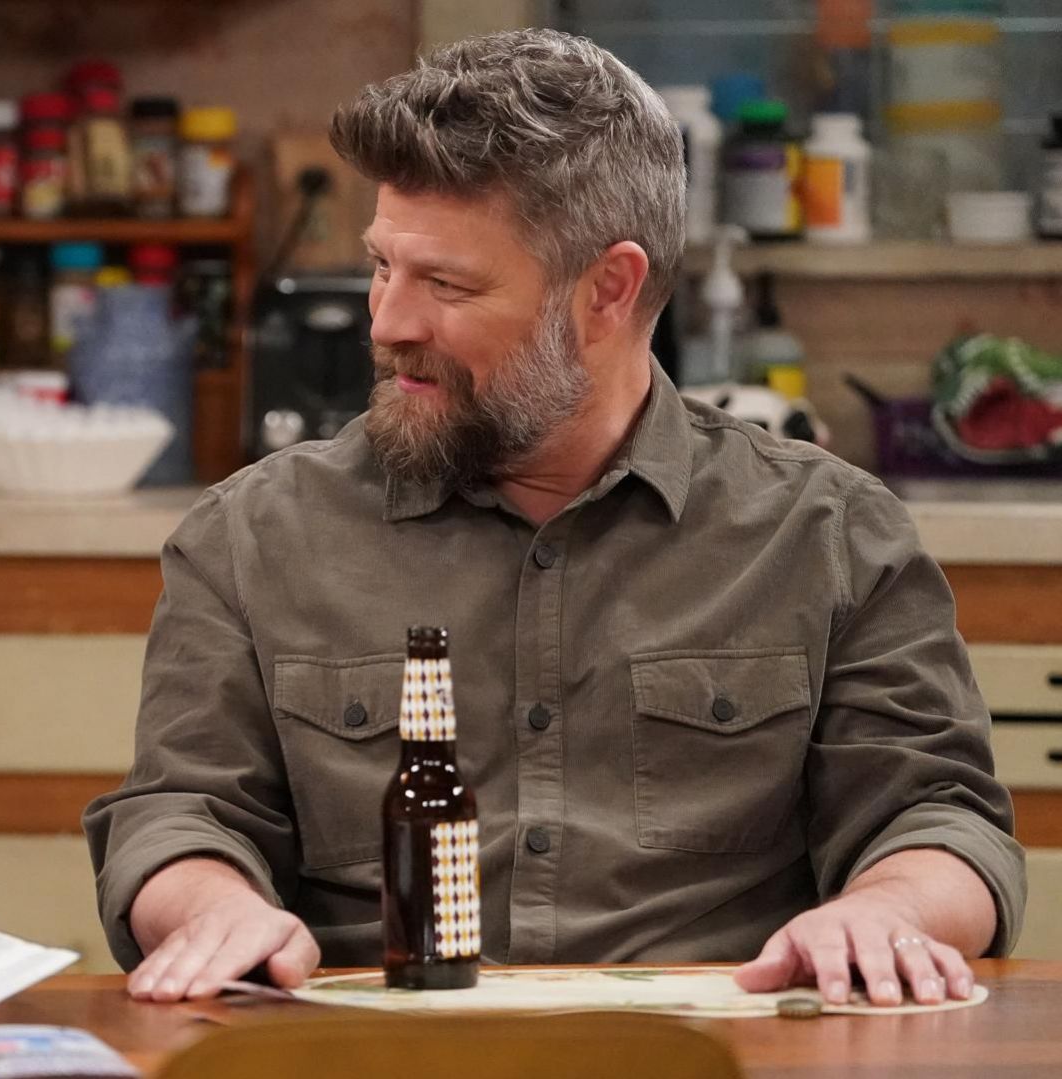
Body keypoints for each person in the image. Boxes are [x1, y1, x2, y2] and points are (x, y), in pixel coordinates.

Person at [85, 29, 1024, 1007]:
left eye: (445, 284)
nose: (386, 321)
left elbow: (939, 818)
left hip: (718, 1050)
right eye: (381, 266)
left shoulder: (829, 535)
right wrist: (211, 904)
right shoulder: (249, 537)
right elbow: (178, 811)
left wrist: (886, 908)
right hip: (371, 1048)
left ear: (606, 290)